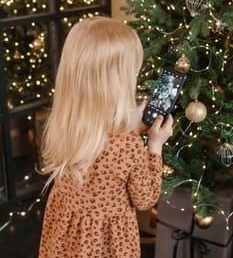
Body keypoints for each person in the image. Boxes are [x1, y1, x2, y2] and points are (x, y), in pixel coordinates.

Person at [39, 16, 173, 258]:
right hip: (109, 242)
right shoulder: (128, 145)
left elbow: (100, 151)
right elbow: (144, 199)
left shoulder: (63, 124)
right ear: (118, 82)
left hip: (66, 236)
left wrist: (131, 127)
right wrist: (154, 145)